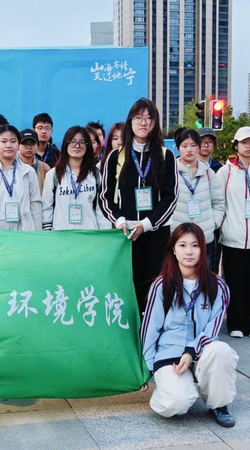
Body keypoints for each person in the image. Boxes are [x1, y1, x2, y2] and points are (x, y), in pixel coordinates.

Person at [140, 223, 237, 428]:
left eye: (195, 245)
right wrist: (145, 369)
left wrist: (191, 352)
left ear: (203, 249)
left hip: (202, 351)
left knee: (221, 351)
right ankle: (169, 389)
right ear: (174, 250)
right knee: (176, 403)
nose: (189, 251)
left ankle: (219, 404)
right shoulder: (161, 285)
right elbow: (150, 328)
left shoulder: (217, 286)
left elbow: (213, 328)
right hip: (169, 354)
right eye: (182, 245)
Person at [99, 98, 178, 313]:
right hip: (125, 234)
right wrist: (120, 221)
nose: (144, 123)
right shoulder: (116, 156)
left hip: (156, 233)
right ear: (130, 121)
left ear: (155, 123)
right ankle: (129, 330)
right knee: (127, 287)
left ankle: (152, 331)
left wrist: (147, 224)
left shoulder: (166, 156)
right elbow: (105, 197)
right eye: (138, 118)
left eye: (149, 118)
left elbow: (170, 198)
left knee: (155, 287)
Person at [217, 126, 250, 339]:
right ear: (236, 145)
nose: (248, 146)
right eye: (244, 142)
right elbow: (221, 202)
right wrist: (225, 224)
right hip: (232, 236)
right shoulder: (226, 171)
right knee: (235, 282)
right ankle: (236, 323)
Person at [170, 129, 224, 268]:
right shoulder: (170, 172)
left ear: (199, 147)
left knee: (204, 276)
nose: (189, 149)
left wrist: (213, 224)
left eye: (193, 145)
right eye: (184, 145)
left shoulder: (208, 172)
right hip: (178, 236)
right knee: (177, 276)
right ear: (178, 148)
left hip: (204, 237)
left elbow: (218, 202)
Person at [0, 125, 42, 230]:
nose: (8, 145)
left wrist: (37, 232)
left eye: (13, 141)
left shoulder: (28, 172)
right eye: (3, 141)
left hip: (22, 230)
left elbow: (35, 204)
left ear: (18, 145)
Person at [42, 126, 110, 231]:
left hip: (89, 234)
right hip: (61, 234)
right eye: (73, 142)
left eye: (82, 142)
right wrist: (48, 232)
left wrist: (104, 233)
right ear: (66, 144)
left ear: (87, 146)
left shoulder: (95, 175)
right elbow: (46, 207)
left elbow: (100, 210)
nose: (77, 146)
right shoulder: (53, 175)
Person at [17, 129, 50, 194]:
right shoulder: (12, 166)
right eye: (25, 143)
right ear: (18, 146)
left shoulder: (44, 168)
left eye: (32, 143)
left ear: (38, 146)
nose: (29, 147)